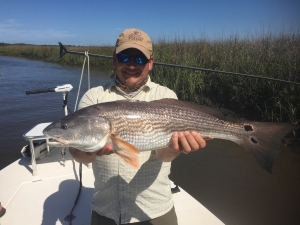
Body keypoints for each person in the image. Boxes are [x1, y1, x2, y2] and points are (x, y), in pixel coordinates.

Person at [69, 28, 206, 225]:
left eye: (139, 59)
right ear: (114, 59)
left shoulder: (165, 97)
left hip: (154, 211)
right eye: (125, 57)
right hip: (106, 211)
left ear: (150, 63)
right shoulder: (94, 98)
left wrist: (178, 146)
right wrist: (92, 152)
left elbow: (164, 156)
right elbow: (77, 153)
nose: (131, 65)